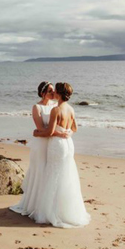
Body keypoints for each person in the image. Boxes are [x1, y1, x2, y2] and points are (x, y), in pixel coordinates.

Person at [31, 82, 91, 228]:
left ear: (58, 93)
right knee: (66, 175)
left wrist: (36, 133)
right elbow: (74, 128)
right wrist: (67, 133)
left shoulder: (56, 110)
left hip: (57, 145)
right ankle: (68, 210)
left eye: (54, 91)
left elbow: (49, 132)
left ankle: (52, 211)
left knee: (53, 175)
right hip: (69, 144)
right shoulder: (71, 109)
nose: (53, 93)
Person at [9, 81, 68, 216]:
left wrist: (65, 131)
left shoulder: (56, 106)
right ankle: (35, 205)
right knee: (41, 171)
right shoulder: (37, 107)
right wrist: (59, 133)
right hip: (41, 144)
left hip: (53, 144)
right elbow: (42, 128)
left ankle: (49, 205)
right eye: (49, 91)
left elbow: (63, 121)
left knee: (51, 173)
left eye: (53, 90)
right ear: (42, 93)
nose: (53, 93)